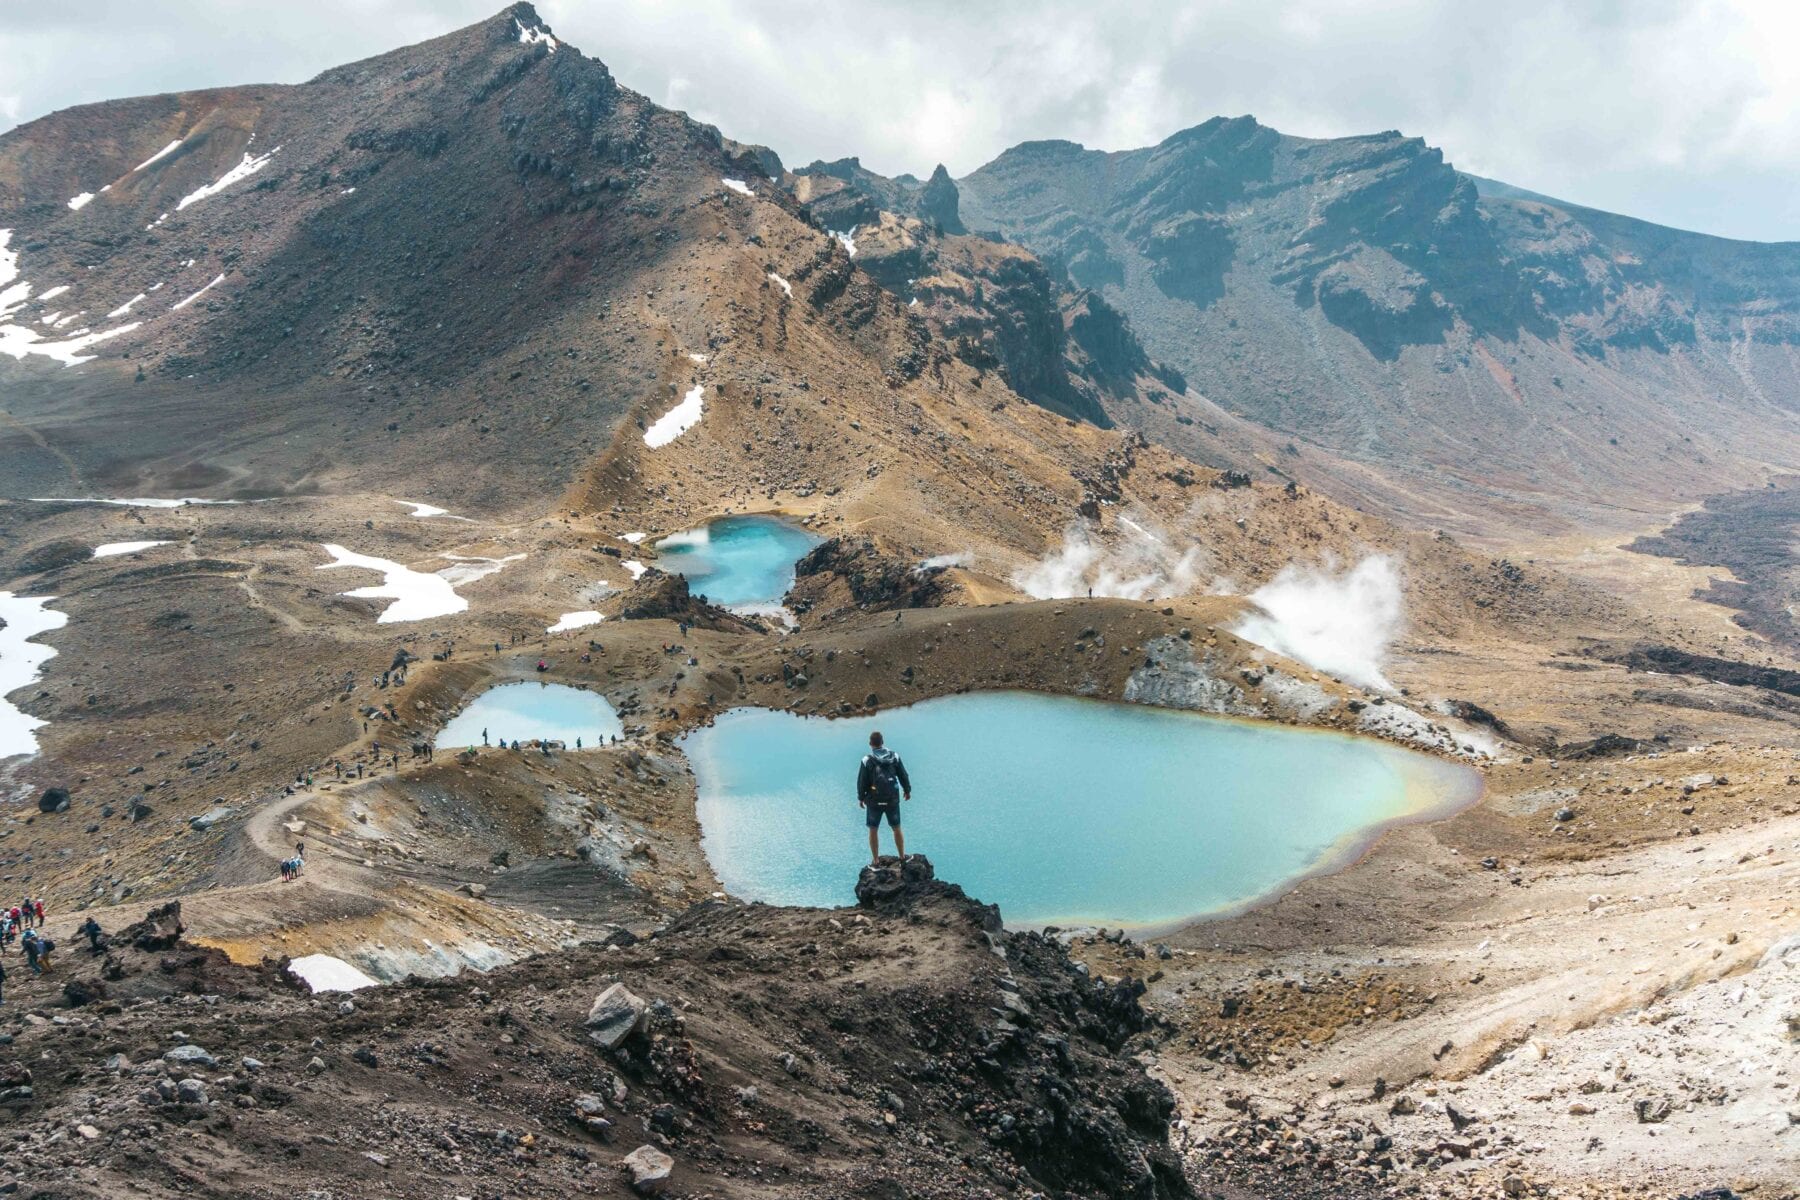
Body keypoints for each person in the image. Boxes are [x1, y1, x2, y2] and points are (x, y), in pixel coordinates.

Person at [856, 730, 911, 865]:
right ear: (882, 742)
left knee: (873, 829)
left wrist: (861, 797)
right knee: (896, 827)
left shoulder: (867, 760)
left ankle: (876, 860)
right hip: (892, 799)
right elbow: (903, 775)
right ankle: (902, 856)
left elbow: (862, 781)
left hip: (874, 801)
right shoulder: (894, 757)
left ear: (870, 744)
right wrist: (907, 790)